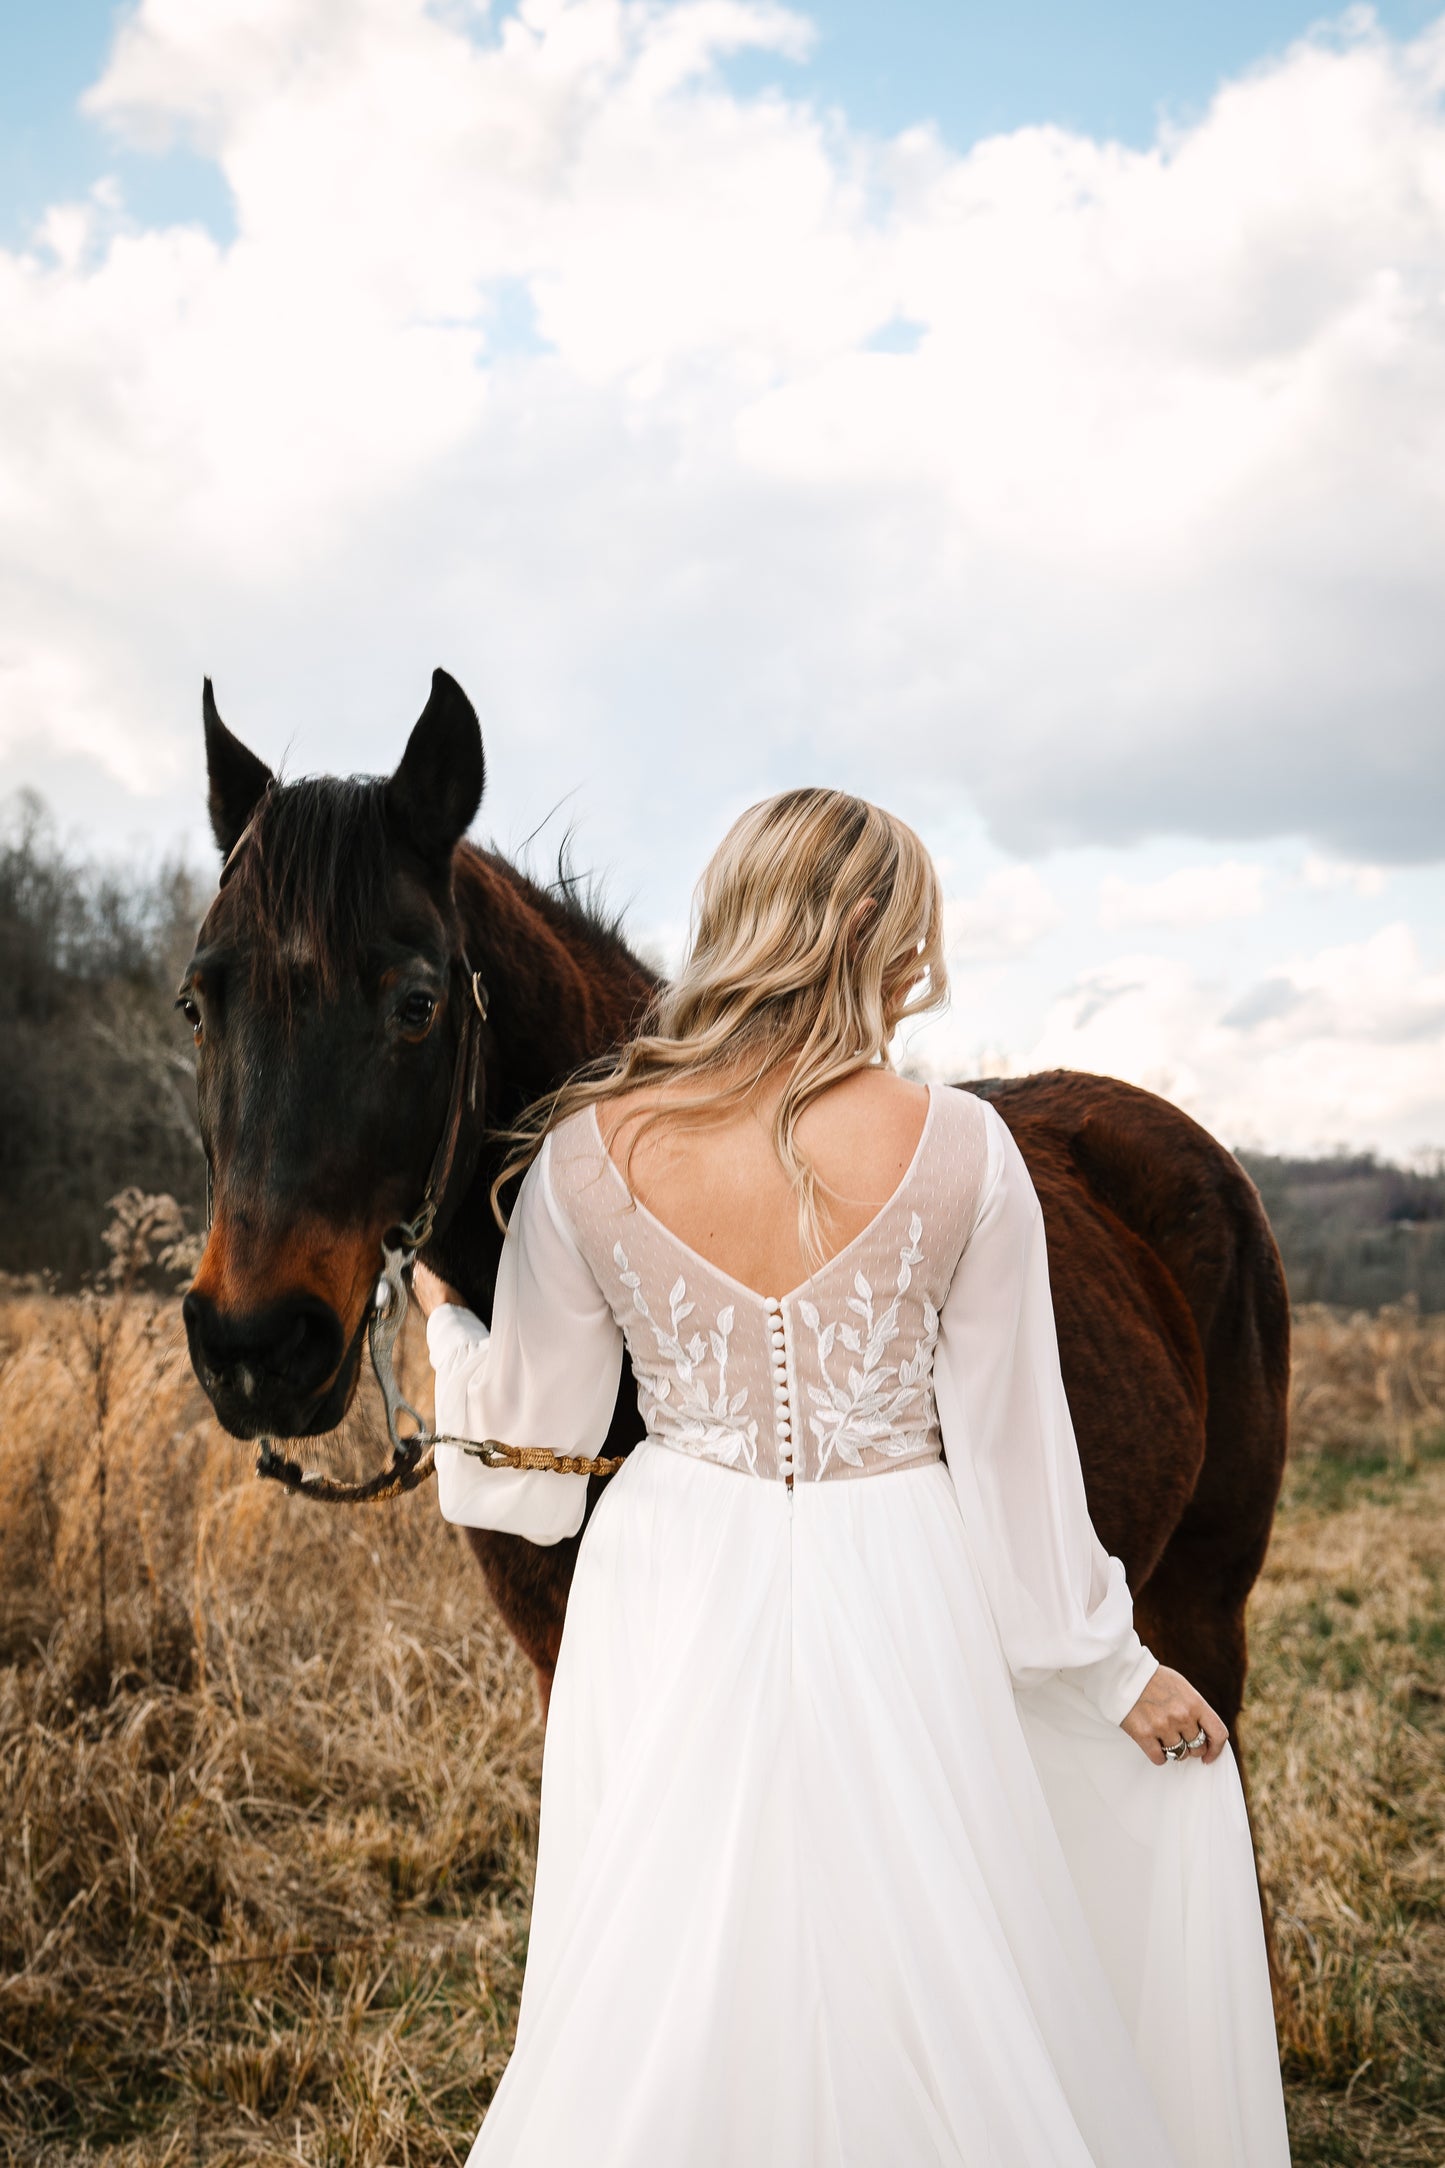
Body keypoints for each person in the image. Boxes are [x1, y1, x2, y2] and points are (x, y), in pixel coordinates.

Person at [413, 788, 1290, 2168]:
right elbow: (1014, 1471)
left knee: (674, 1935)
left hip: (667, 1582)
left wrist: (450, 1328)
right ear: (872, 925)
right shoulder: (961, 1150)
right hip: (901, 1561)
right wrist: (1114, 1672)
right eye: (917, 929)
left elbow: (523, 1467)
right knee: (925, 1923)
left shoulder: (586, 1152)